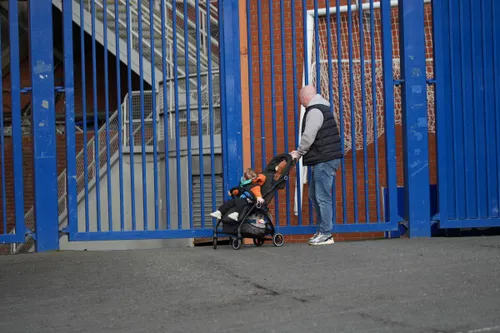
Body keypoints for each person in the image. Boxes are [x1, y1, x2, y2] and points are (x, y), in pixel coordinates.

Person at [290, 85, 343, 246]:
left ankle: (326, 233)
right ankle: (323, 230)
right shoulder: (323, 108)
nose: (301, 103)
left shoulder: (314, 111)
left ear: (305, 98)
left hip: (324, 159)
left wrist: (298, 153)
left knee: (322, 196)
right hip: (324, 157)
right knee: (314, 195)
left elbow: (309, 136)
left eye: (301, 100)